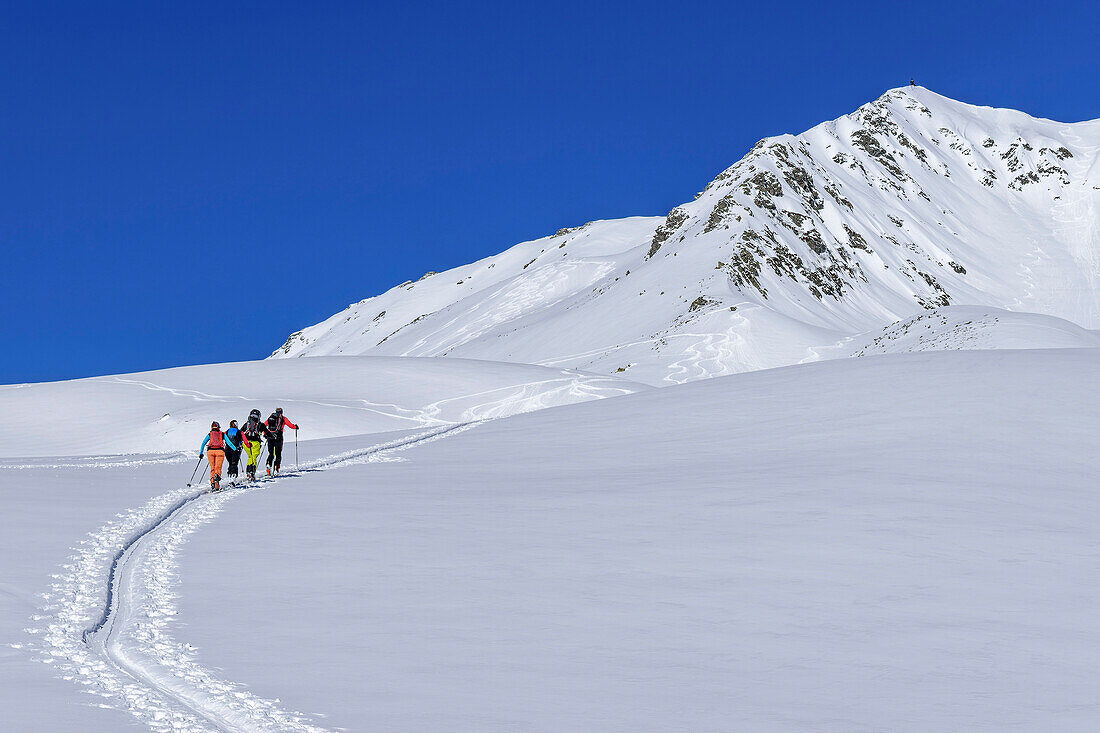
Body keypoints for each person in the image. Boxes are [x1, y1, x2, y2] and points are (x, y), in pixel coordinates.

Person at [199, 421, 238, 491]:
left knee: (212, 468)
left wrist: (201, 453)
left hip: (210, 452)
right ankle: (217, 477)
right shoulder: (222, 434)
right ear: (218, 427)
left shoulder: (210, 434)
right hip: (220, 451)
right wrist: (235, 449)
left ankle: (213, 483)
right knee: (218, 467)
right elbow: (229, 442)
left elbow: (203, 443)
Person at [263, 407, 298, 476]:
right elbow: (290, 425)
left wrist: (265, 434)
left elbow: (264, 425)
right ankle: (276, 468)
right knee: (278, 453)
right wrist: (295, 427)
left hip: (270, 437)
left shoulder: (271, 417)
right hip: (278, 437)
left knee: (271, 453)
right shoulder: (283, 418)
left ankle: (268, 466)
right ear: (282, 412)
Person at [241, 408, 264, 480]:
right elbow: (267, 432)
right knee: (253, 457)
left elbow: (241, 432)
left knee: (250, 456)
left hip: (246, 443)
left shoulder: (246, 424)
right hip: (255, 443)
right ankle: (252, 471)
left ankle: (248, 471)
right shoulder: (260, 424)